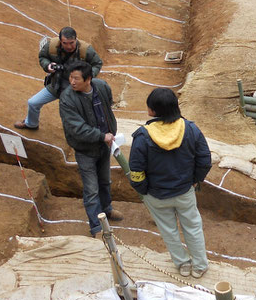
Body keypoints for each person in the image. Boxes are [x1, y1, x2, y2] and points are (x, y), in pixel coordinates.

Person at [129, 88, 211, 278]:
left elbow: (136, 170)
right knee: (193, 227)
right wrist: (194, 180)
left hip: (157, 195)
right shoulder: (190, 129)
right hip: (184, 192)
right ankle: (199, 266)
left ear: (152, 111)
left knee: (169, 231)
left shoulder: (143, 136)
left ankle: (182, 264)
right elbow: (205, 160)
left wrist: (144, 191)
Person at [59, 60, 123, 236]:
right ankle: (96, 227)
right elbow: (76, 127)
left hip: (105, 145)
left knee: (105, 181)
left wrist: (108, 134)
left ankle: (107, 210)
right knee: (91, 188)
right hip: (85, 149)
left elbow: (108, 105)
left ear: (88, 79)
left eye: (76, 78)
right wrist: (102, 136)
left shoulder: (101, 87)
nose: (72, 82)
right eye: (71, 78)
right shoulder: (67, 98)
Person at [15, 27, 102, 130]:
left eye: (71, 42)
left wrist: (86, 76)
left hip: (76, 88)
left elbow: (97, 63)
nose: (69, 46)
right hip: (56, 84)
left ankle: (90, 133)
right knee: (33, 103)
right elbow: (43, 57)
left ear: (76, 39)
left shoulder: (85, 50)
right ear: (60, 41)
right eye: (65, 43)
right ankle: (31, 124)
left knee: (82, 112)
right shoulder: (52, 46)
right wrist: (48, 66)